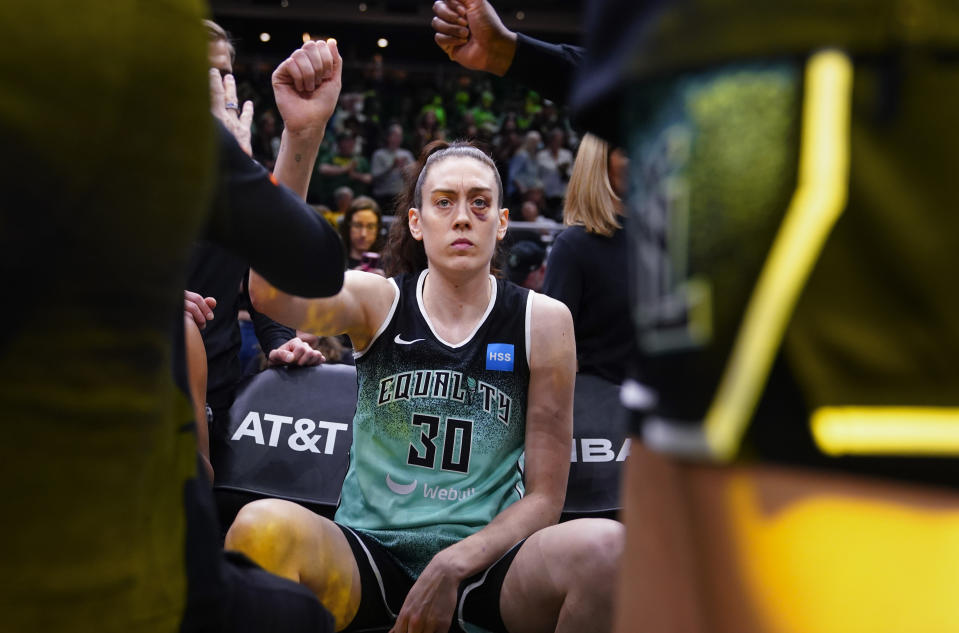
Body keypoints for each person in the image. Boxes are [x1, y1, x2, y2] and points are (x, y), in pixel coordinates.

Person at [227, 141, 623, 633]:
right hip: (371, 553)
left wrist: (453, 563)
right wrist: (304, 134)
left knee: (611, 549)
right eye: (444, 202)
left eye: (479, 203)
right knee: (259, 526)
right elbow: (269, 294)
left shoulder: (542, 321)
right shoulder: (379, 301)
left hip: (489, 565)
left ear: (501, 223)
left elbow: (545, 498)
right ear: (416, 222)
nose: (462, 217)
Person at [542, 133, 633, 386]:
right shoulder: (573, 247)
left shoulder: (661, 238)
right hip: (599, 410)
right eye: (626, 149)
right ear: (599, 164)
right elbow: (550, 354)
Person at [371, 123, 415, 212]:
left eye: (399, 136)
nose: (397, 138)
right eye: (395, 135)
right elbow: (374, 177)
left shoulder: (406, 154)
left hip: (401, 198)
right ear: (388, 137)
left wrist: (404, 168)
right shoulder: (379, 154)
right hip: (382, 197)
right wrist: (392, 167)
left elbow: (414, 176)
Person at [339, 195, 385, 272]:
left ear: (378, 229)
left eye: (370, 226)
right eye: (357, 225)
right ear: (348, 227)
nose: (363, 234)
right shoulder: (335, 261)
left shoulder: (390, 264)